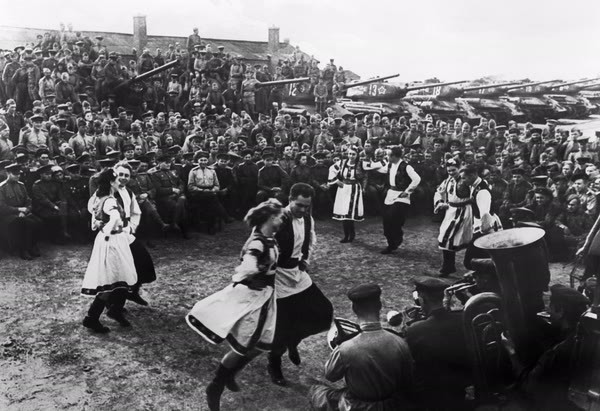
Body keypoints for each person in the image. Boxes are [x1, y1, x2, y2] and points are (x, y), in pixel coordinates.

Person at [185, 199, 283, 411]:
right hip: (253, 298)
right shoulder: (258, 242)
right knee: (244, 347)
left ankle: (229, 374)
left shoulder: (269, 238)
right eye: (279, 216)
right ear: (270, 218)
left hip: (266, 297)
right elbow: (246, 267)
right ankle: (216, 386)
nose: (282, 219)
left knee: (263, 344)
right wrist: (254, 270)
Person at [309, 283, 416, 411]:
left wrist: (340, 348)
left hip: (357, 406)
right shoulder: (400, 342)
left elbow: (331, 375)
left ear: (354, 309)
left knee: (315, 391)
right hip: (392, 405)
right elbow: (408, 377)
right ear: (380, 306)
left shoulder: (346, 348)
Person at [267, 183, 334, 386]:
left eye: (307, 206)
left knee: (323, 311)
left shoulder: (306, 218)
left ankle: (293, 340)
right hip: (278, 277)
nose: (303, 210)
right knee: (281, 324)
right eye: (299, 205)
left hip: (297, 273)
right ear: (290, 199)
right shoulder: (275, 219)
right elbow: (259, 248)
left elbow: (310, 239)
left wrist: (306, 259)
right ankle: (274, 362)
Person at [501, 284, 589, 410]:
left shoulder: (557, 352)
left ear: (560, 311)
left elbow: (528, 385)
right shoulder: (584, 336)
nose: (548, 310)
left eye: (550, 307)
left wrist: (511, 351)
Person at [81, 168, 138, 333]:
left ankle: (113, 310)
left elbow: (93, 224)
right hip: (112, 240)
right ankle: (92, 318)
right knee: (113, 278)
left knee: (118, 277)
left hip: (106, 240)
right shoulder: (110, 201)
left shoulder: (98, 198)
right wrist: (108, 231)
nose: (118, 182)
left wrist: (101, 228)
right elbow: (114, 218)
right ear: (112, 183)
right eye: (116, 180)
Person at [404, 277, 473, 410]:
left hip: (431, 396)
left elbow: (409, 362)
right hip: (459, 390)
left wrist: (408, 326)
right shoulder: (463, 319)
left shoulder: (415, 329)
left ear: (422, 299)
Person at [434, 159, 473, 276]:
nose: (451, 173)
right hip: (451, 211)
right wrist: (441, 202)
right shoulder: (448, 180)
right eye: (449, 171)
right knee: (446, 237)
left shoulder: (466, 181)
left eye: (454, 170)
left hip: (463, 211)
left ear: (459, 168)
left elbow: (476, 193)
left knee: (449, 237)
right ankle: (449, 266)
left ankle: (450, 267)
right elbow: (439, 192)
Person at [381, 146, 421, 254]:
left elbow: (417, 179)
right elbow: (380, 169)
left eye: (388, 155)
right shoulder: (389, 165)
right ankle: (391, 244)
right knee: (386, 220)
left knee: (393, 217)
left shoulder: (406, 166)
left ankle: (397, 236)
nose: (387, 157)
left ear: (394, 156)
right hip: (390, 194)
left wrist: (407, 191)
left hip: (401, 196)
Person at [0, 163, 42, 260]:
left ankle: (32, 245)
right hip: (8, 216)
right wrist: (18, 210)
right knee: (25, 224)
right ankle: (23, 250)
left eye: (19, 174)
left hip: (23, 213)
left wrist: (25, 211)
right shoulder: (2, 187)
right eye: (15, 174)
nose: (18, 176)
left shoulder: (21, 185)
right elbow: (2, 207)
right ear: (8, 173)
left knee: (39, 222)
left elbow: (28, 201)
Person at [331, 146, 364, 243]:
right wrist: (336, 181)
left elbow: (368, 172)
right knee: (343, 212)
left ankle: (352, 234)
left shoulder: (360, 164)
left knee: (350, 212)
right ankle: (346, 235)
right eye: (350, 154)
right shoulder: (342, 162)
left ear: (357, 155)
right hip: (343, 188)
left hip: (354, 189)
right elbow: (331, 170)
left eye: (353, 154)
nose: (351, 156)